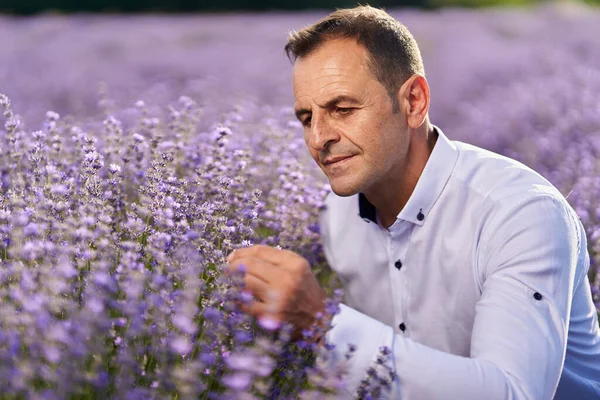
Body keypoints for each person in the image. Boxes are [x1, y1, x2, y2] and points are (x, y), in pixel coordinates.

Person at [227, 5, 600, 399]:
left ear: (414, 102)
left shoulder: (519, 214)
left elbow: (513, 392)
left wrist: (324, 325)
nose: (319, 138)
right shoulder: (336, 216)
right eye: (306, 117)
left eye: (342, 109)